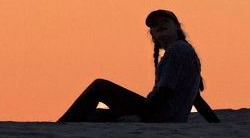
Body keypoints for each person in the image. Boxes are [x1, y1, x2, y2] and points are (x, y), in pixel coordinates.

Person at [58, 10, 219, 123]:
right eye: (155, 25)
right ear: (152, 34)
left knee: (100, 86)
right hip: (166, 117)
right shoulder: (184, 51)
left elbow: (165, 91)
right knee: (95, 116)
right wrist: (216, 124)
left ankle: (58, 129)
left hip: (159, 116)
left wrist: (143, 116)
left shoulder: (177, 49)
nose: (159, 25)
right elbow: (196, 99)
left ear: (177, 26)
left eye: (165, 21)